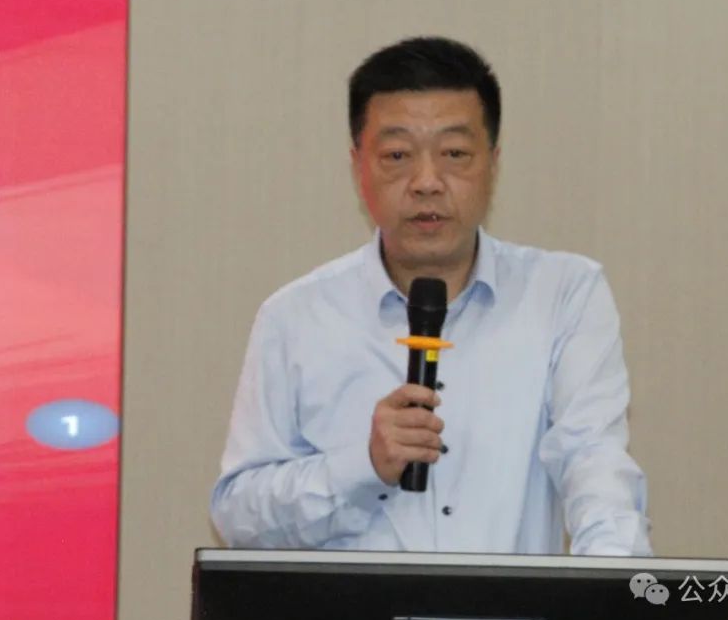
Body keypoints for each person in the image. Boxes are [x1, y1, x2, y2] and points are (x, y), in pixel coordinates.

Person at [210, 36, 652, 556]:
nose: (426, 182)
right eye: (397, 155)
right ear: (358, 165)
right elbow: (239, 515)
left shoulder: (563, 296)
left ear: (492, 163)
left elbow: (595, 467)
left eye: (454, 154)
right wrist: (363, 466)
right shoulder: (296, 317)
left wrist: (617, 589)